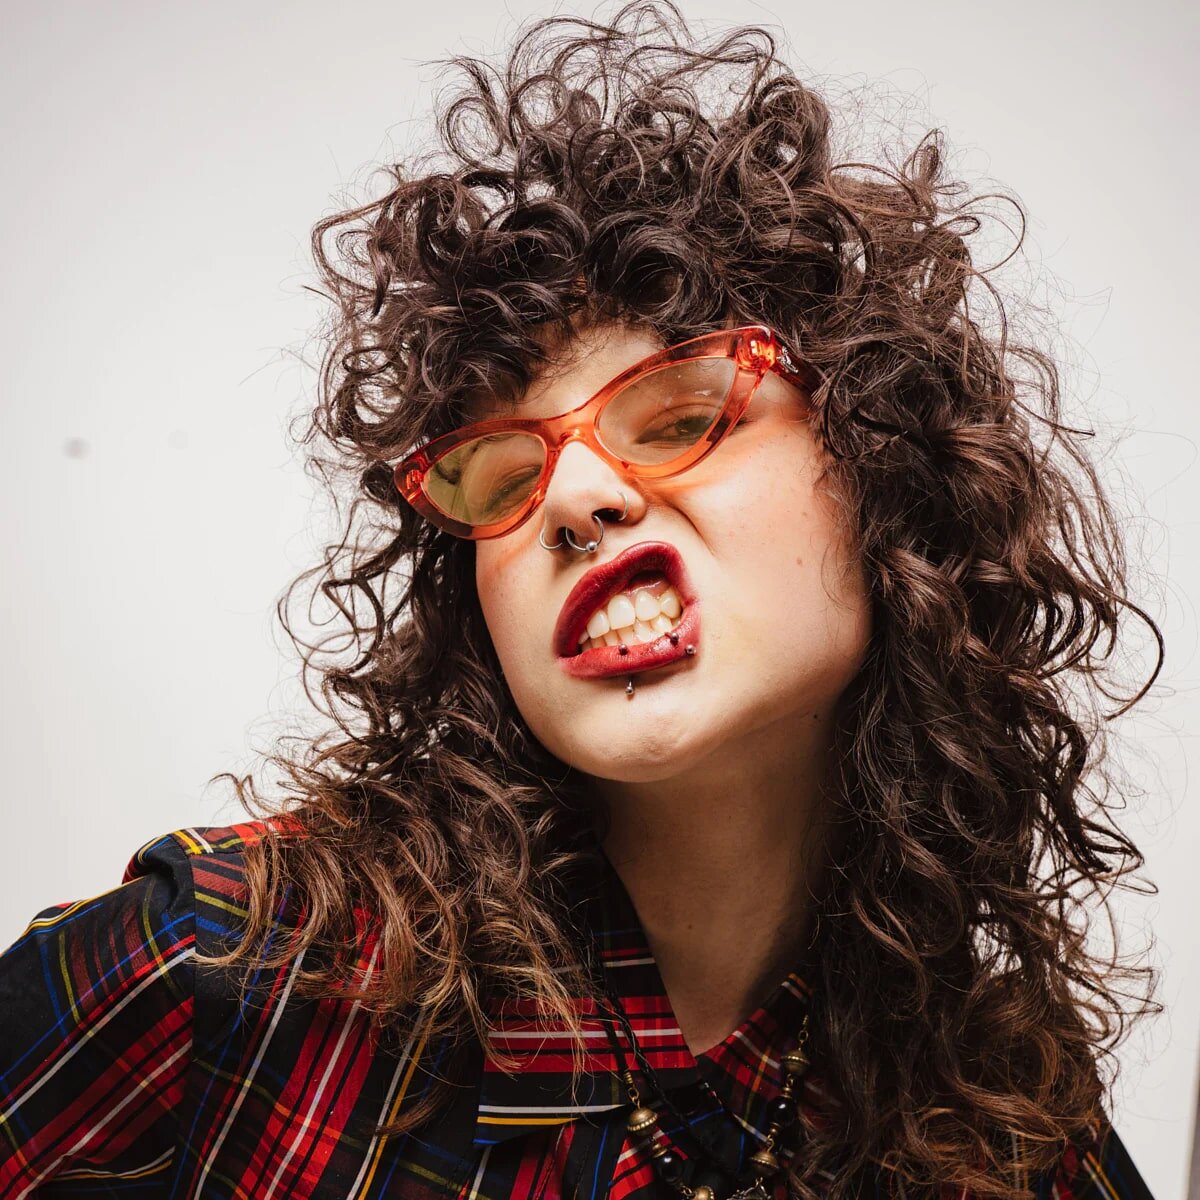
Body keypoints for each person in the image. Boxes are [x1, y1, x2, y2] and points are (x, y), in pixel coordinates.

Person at [0, 4, 1163, 1198]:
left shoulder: (1006, 1136)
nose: (573, 499)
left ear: (889, 478)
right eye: (502, 478)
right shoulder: (229, 965)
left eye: (682, 416)